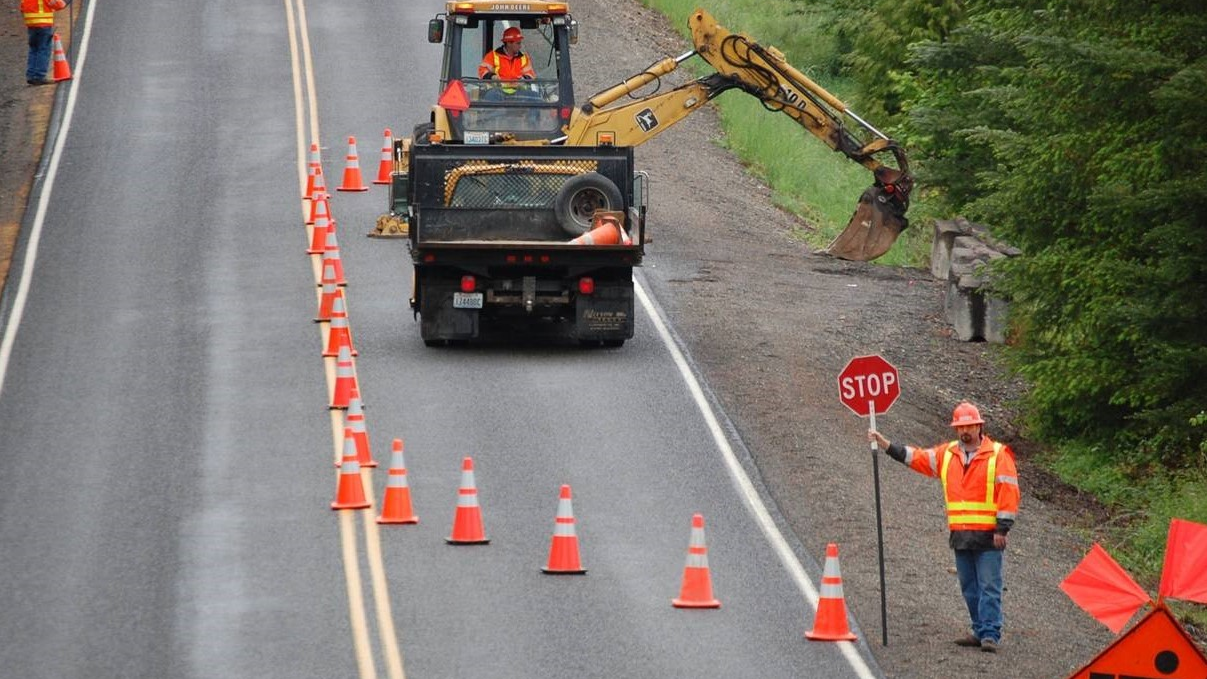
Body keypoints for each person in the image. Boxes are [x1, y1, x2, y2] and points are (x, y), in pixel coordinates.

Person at [868, 401, 1019, 654]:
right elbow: (916, 458)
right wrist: (886, 445)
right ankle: (979, 630)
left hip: (989, 536)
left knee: (989, 586)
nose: (964, 431)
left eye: (969, 425)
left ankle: (990, 634)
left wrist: (1002, 529)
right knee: (969, 587)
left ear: (979, 426)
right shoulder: (947, 454)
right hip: (960, 535)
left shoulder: (997, 455)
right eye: (960, 427)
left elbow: (1009, 491)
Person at [22, 0, 68, 86]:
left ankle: (31, 75)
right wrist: (65, 2)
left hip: (31, 26)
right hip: (43, 25)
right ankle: (39, 76)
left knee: (34, 50)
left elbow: (22, 9)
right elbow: (57, 4)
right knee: (43, 50)